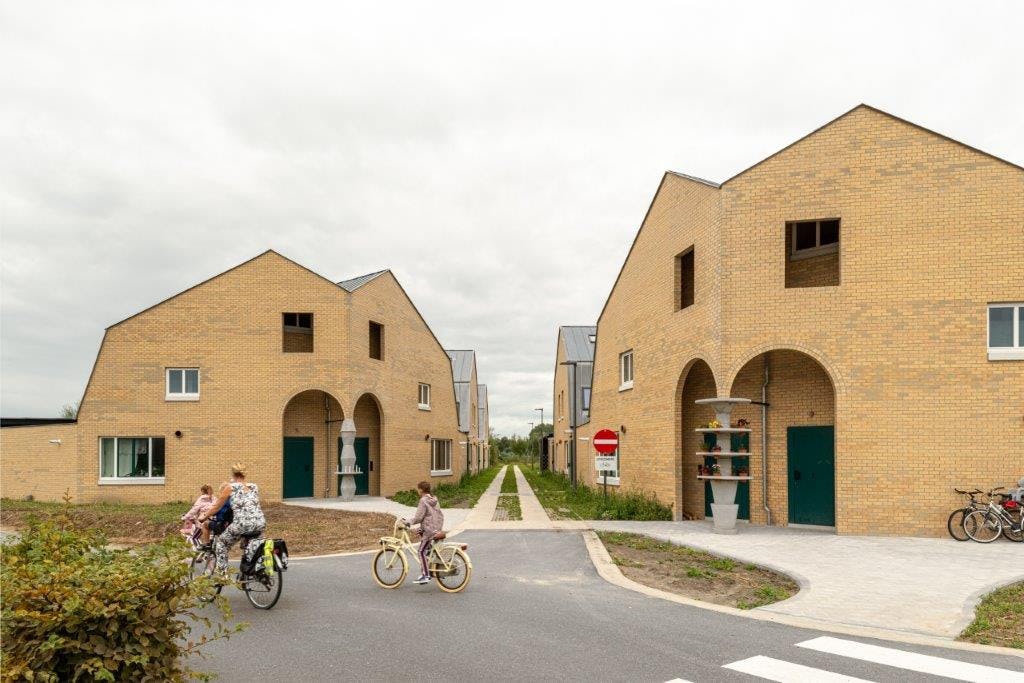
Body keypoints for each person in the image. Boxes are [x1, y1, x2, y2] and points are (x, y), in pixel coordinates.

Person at [198, 463, 266, 576]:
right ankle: (250, 572)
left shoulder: (230, 487)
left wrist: (203, 517)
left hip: (242, 524)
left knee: (221, 544)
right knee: (250, 544)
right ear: (244, 474)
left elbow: (217, 507)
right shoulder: (254, 486)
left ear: (233, 474)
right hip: (260, 523)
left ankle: (222, 576)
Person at [404, 481, 444, 585]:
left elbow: (418, 517)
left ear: (421, 490)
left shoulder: (423, 500)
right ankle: (436, 568)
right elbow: (438, 515)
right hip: (436, 528)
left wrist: (408, 522)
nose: (418, 491)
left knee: (421, 551)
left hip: (429, 530)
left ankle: (426, 575)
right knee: (428, 548)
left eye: (418, 489)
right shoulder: (434, 499)